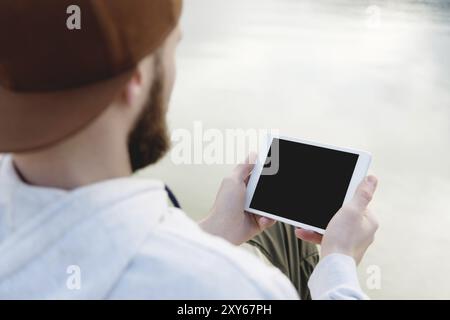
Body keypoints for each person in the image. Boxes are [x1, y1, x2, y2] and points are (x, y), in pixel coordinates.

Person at [0, 0, 378, 299]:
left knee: (275, 233)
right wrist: (339, 265)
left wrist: (213, 232)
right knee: (300, 242)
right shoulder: (239, 289)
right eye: (172, 50)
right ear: (136, 80)